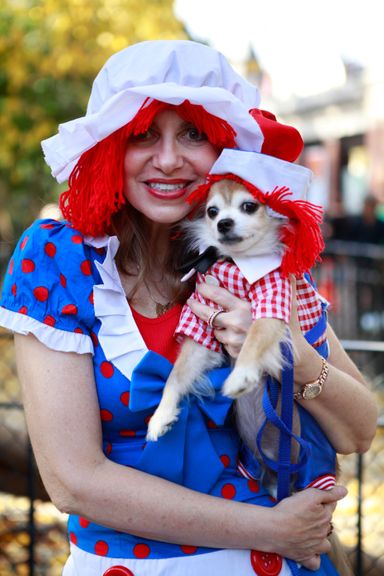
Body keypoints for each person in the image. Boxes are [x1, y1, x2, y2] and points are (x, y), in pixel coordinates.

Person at [0, 40, 377, 576]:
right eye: (143, 135)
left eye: (194, 134)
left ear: (225, 150)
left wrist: (283, 346)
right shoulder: (59, 258)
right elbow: (73, 480)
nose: (170, 158)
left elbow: (357, 432)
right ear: (111, 147)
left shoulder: (257, 255)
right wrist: (272, 529)